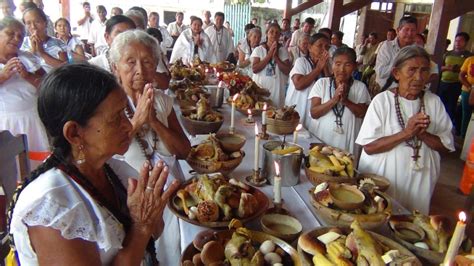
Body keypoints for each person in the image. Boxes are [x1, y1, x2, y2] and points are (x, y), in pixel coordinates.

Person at [8, 63, 180, 265]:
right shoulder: (52, 208)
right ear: (74, 133)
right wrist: (141, 227)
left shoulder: (114, 170)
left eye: (126, 113)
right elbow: (144, 232)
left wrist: (148, 219)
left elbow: (154, 232)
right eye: (116, 118)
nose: (128, 124)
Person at [109, 30, 190, 265]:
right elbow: (104, 154)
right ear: (116, 68)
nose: (140, 71)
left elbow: (185, 151)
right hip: (131, 197)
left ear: (155, 67)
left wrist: (154, 120)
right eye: (130, 62)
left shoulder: (163, 101)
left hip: (173, 194)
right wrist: (136, 122)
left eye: (147, 62)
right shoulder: (108, 107)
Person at [356, 46, 454, 215]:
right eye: (412, 70)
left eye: (424, 71)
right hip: (385, 181)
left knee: (412, 225)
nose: (418, 77)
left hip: (421, 182)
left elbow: (446, 147)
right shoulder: (382, 101)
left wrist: (423, 134)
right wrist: (407, 133)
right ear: (396, 73)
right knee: (379, 218)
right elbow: (369, 147)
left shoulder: (434, 102)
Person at [0, 17, 48, 168]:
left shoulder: (27, 58)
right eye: (11, 33)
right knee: (11, 168)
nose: (16, 38)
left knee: (36, 164)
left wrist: (27, 76)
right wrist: (3, 76)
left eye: (20, 36)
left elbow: (47, 86)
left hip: (32, 120)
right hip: (6, 123)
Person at [308, 47, 370, 156]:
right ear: (332, 65)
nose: (342, 69)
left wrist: (346, 101)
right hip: (322, 141)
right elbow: (314, 113)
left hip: (346, 144)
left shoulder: (360, 87)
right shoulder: (322, 84)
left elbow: (362, 113)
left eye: (347, 65)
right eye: (337, 64)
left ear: (355, 66)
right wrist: (334, 100)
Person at [285, 33, 330, 129]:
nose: (324, 49)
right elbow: (298, 84)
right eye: (320, 46)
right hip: (298, 109)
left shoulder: (326, 65)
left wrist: (325, 67)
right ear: (309, 47)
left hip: (312, 112)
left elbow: (329, 87)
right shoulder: (301, 62)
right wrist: (318, 69)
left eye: (327, 47)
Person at [438, 32, 472, 134]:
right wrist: (448, 68)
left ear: (465, 42)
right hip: (444, 83)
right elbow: (439, 67)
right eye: (456, 40)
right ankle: (438, 126)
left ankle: (448, 129)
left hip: (457, 85)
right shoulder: (448, 54)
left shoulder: (468, 56)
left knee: (452, 107)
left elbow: (468, 72)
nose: (457, 43)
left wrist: (458, 70)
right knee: (440, 105)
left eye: (461, 41)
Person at [251, 23, 291, 108]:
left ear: (280, 35)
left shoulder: (283, 50)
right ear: (267, 33)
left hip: (277, 91)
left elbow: (287, 70)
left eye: (277, 33)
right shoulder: (259, 50)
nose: (274, 35)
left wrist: (276, 57)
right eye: (271, 32)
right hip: (260, 89)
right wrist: (269, 55)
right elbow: (255, 69)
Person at [375, 16, 418, 90]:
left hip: (407, 92)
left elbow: (434, 71)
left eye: (413, 30)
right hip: (385, 91)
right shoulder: (387, 47)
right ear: (398, 30)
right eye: (406, 30)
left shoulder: (417, 50)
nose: (410, 33)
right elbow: (381, 73)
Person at [21, 7, 67, 73]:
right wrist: (33, 51)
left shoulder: (58, 43)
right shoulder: (22, 42)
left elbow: (65, 68)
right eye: (28, 23)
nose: (33, 27)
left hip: (53, 82)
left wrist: (41, 52)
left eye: (37, 22)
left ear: (45, 23)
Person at [459, 55, 474, 149]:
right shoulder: (470, 59)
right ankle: (464, 138)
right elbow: (461, 75)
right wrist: (469, 87)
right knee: (466, 114)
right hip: (467, 90)